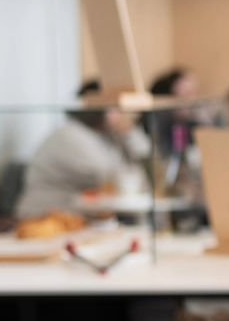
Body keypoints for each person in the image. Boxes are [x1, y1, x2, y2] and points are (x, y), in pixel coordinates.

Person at [15, 80, 137, 219]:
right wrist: (127, 133)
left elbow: (134, 169)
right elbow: (109, 177)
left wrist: (127, 134)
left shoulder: (98, 136)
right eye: (115, 108)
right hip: (43, 216)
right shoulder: (70, 135)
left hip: (71, 214)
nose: (121, 115)